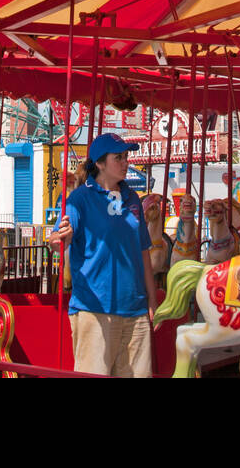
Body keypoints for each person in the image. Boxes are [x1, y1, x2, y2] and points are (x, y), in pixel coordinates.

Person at [48, 132, 158, 377]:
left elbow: (143, 252)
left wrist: (152, 300)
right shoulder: (79, 200)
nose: (125, 162)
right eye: (118, 157)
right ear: (99, 163)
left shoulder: (132, 199)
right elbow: (60, 238)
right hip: (95, 309)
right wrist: (57, 240)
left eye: (126, 157)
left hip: (135, 310)